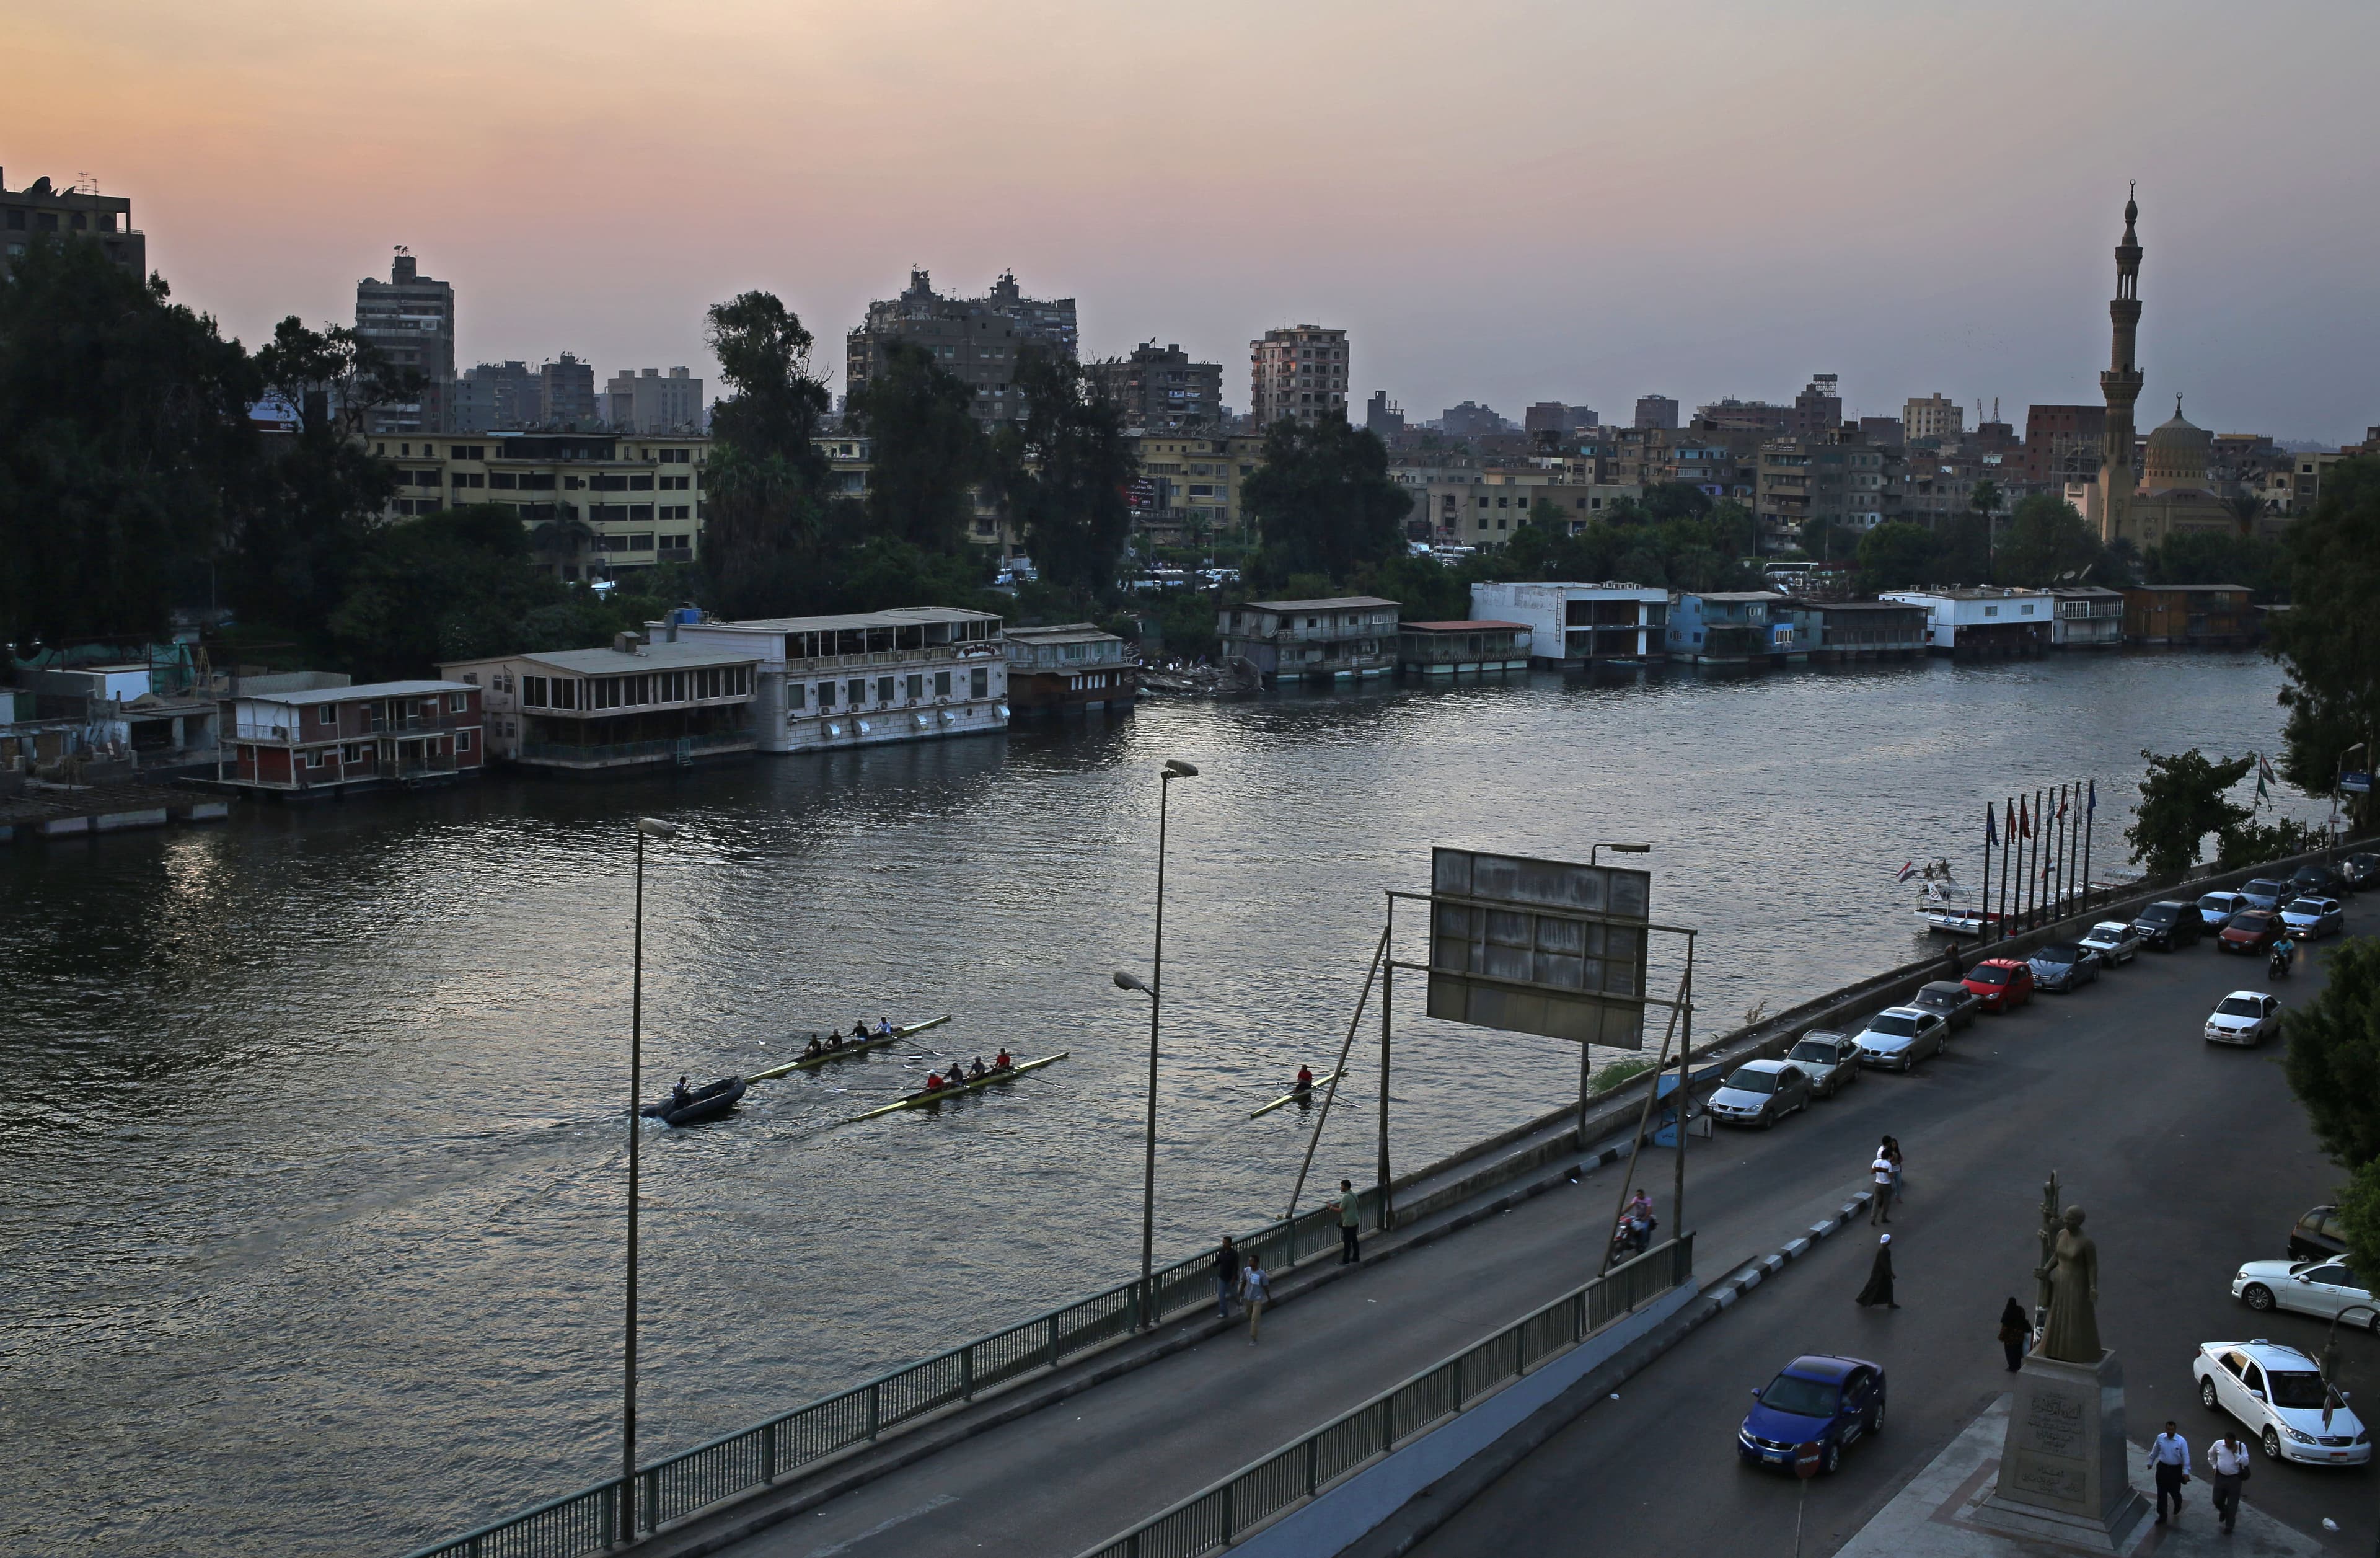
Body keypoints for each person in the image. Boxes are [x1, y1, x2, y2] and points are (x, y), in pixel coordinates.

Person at [2147, 1421, 2192, 1525]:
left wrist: (2186, 1472)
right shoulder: (2160, 1438)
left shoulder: (2181, 1441)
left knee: (2174, 1491)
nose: (2169, 1431)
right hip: (2162, 1468)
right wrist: (2151, 1461)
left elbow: (2186, 1456)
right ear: (2165, 1429)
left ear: (2175, 1430)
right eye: (2168, 1429)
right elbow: (2155, 1450)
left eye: (2172, 1430)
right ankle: (2162, 1515)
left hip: (2175, 1470)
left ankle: (2178, 1502)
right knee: (2161, 1493)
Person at [2206, 1432, 2249, 1532]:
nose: (2228, 1445)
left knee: (2232, 1504)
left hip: (2235, 1479)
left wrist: (2235, 1454)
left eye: (2230, 1444)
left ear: (2235, 1442)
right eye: (2227, 1443)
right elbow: (2211, 1454)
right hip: (2220, 1477)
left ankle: (2229, 1526)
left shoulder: (2241, 1447)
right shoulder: (2218, 1444)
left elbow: (2246, 1462)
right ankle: (2224, 1511)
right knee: (2216, 1500)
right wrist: (2214, 1466)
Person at [1854, 1233, 1898, 1308]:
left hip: (1881, 1273)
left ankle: (1890, 1303)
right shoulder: (1884, 1251)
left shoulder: (1883, 1250)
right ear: (1887, 1242)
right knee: (1876, 1286)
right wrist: (1891, 1274)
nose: (1891, 1241)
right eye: (1890, 1240)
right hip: (1880, 1273)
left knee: (1879, 1286)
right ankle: (1862, 1299)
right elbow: (1885, 1264)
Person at [1240, 1257, 1272, 1343]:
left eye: (1252, 1260)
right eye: (1249, 1260)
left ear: (1257, 1262)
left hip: (1257, 1298)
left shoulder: (1262, 1274)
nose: (1250, 1261)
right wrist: (1240, 1294)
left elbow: (1266, 1287)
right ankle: (1253, 1327)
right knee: (1249, 1315)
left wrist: (1269, 1298)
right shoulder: (1246, 1270)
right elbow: (1243, 1282)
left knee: (1255, 1319)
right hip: (1248, 1297)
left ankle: (1253, 1337)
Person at [1997, 1296, 2032, 1371]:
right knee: (2017, 1352)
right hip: (2019, 1337)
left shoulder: (2008, 1312)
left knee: (2010, 1353)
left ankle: (2012, 1367)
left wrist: (2001, 1336)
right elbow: (2023, 1320)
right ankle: (2017, 1365)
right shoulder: (2020, 1310)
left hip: (2010, 1338)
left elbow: (2005, 1326)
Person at [1333, 1179, 1361, 1265]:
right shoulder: (1354, 1195)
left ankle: (1345, 1260)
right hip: (1355, 1220)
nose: (1341, 1187)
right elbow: (1344, 1205)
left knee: (1347, 1242)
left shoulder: (1346, 1197)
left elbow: (1341, 1209)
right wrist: (1333, 1205)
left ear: (1346, 1187)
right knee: (1354, 1240)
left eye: (1342, 1186)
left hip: (1348, 1223)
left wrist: (1331, 1208)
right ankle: (1356, 1257)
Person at [1213, 1235, 1240, 1319]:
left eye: (1225, 1243)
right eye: (1223, 1243)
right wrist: (1211, 1265)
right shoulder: (1221, 1252)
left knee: (1233, 1294)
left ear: (1230, 1244)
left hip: (1231, 1278)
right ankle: (1224, 1313)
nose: (1224, 1244)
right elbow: (1218, 1261)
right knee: (1221, 1295)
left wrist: (1233, 1278)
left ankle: (1239, 1303)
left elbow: (1236, 1267)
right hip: (1222, 1277)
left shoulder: (1234, 1254)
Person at [1869, 1148, 1897, 1224]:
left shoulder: (1876, 1162)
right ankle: (1883, 1217)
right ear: (1889, 1157)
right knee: (1886, 1202)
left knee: (1876, 1202)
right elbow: (1891, 1176)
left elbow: (1872, 1172)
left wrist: (1879, 1170)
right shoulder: (1888, 1165)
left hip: (1878, 1184)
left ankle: (1873, 1218)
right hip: (1886, 1185)